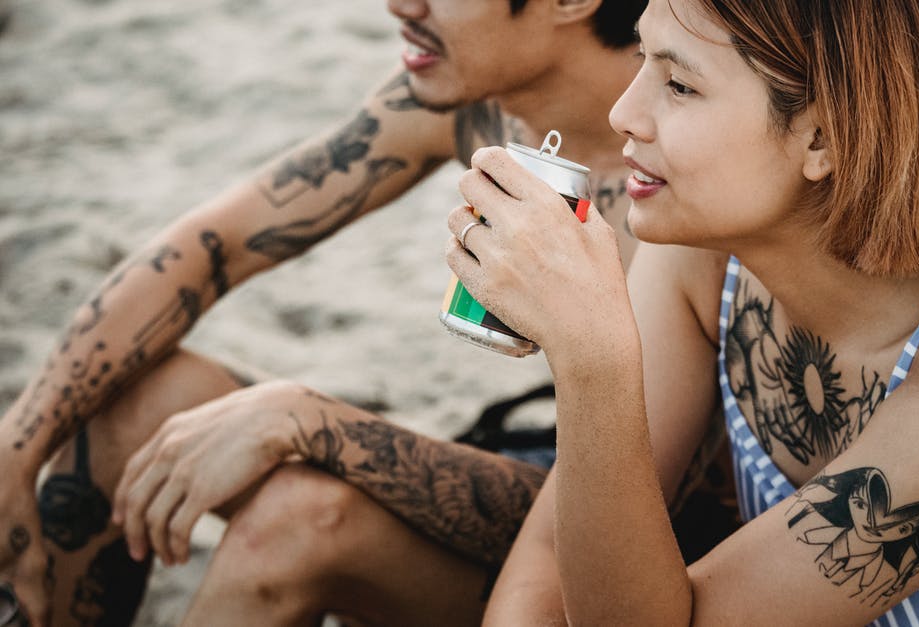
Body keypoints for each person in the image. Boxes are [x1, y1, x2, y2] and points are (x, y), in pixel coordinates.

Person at [447, 0, 919, 623]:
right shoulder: (710, 250)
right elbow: (547, 561)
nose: (623, 113)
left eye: (679, 85)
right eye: (642, 59)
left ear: (824, 135)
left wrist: (593, 358)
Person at [0, 1, 730, 625]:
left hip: (647, 559)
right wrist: (16, 447)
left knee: (296, 522)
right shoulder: (480, 104)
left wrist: (312, 422)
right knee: (134, 406)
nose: (398, 4)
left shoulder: (697, 177)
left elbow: (630, 512)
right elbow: (213, 245)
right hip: (547, 463)